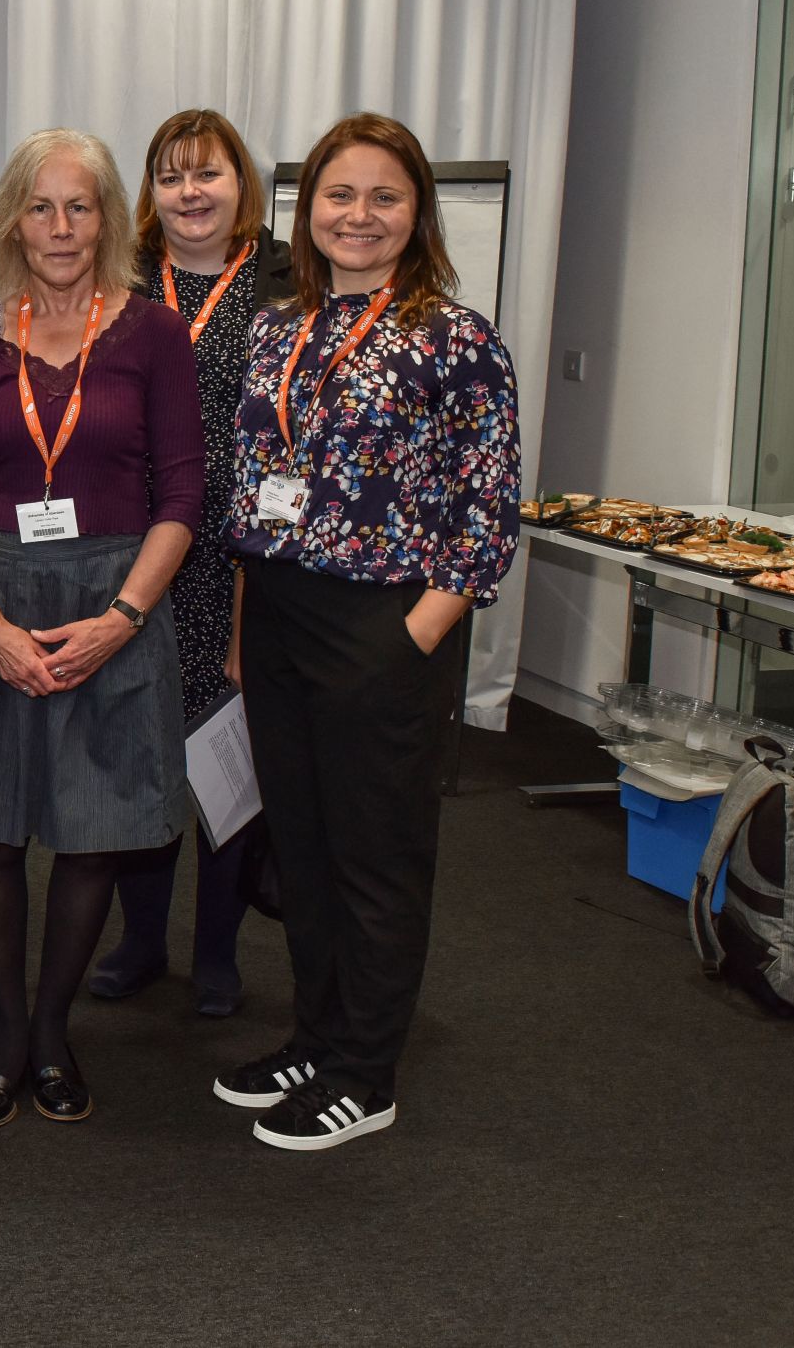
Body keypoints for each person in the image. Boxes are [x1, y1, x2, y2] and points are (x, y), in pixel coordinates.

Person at [215, 112, 520, 1152]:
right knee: (300, 843)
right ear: (310, 212)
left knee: (374, 853)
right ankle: (317, 1032)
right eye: (339, 195)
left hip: (382, 624)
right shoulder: (276, 324)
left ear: (415, 211)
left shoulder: (454, 337)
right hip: (280, 610)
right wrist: (246, 629)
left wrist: (415, 635)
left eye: (383, 196)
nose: (359, 215)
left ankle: (364, 1069)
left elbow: (487, 513)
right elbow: (259, 488)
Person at [0, 128, 204, 1129]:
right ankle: (2, 1031)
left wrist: (124, 617)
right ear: (10, 221)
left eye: (80, 205)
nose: (61, 226)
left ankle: (50, 1028)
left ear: (112, 218)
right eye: (40, 206)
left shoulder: (157, 334)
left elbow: (184, 491)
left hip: (111, 603)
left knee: (93, 832)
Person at [88, 108, 293, 1019]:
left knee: (223, 757)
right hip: (134, 554)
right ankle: (140, 939)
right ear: (151, 192)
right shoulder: (118, 277)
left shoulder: (290, 284)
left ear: (239, 184)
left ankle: (215, 950)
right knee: (136, 753)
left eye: (207, 174)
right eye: (171, 177)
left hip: (239, 561)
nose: (190, 193)